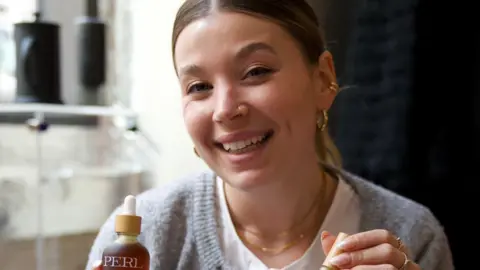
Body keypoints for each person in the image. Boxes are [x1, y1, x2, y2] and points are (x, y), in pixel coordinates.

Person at [86, 0, 454, 269]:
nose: (225, 109)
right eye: (199, 86)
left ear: (323, 78)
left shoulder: (412, 235)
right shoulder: (143, 237)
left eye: (256, 71)